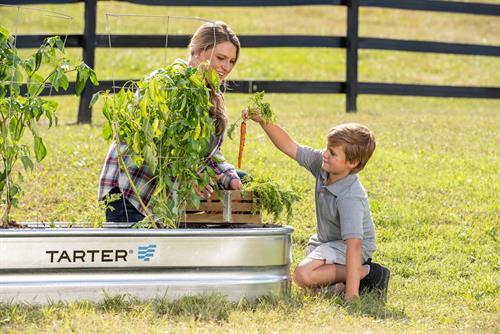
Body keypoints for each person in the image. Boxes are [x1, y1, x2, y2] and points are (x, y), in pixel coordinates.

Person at [98, 21, 243, 223]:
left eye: (231, 61)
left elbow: (209, 153)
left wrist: (230, 177)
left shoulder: (212, 94)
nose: (226, 67)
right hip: (132, 195)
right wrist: (189, 178)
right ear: (198, 52)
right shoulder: (166, 83)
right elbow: (154, 145)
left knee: (243, 178)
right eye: (221, 58)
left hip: (166, 197)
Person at [242, 115, 390, 301]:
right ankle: (338, 284)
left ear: (352, 163)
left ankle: (369, 273)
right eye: (327, 148)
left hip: (351, 248)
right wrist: (264, 121)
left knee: (303, 276)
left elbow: (354, 245)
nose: (325, 154)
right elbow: (290, 146)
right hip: (325, 241)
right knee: (312, 289)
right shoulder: (323, 165)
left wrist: (351, 295)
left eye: (333, 153)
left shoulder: (350, 196)